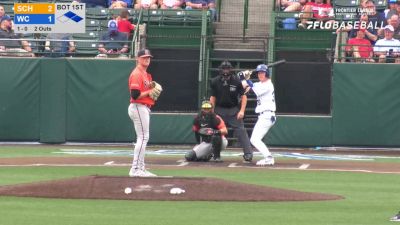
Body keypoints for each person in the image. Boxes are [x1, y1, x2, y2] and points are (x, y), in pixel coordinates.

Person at [128, 49, 163, 177]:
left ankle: (140, 168)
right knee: (142, 138)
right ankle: (135, 169)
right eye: (144, 57)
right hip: (138, 106)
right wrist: (149, 92)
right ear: (138, 59)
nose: (147, 59)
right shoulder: (137, 73)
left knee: (143, 138)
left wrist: (150, 93)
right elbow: (135, 95)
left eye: (148, 57)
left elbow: (147, 94)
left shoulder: (146, 74)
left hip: (143, 107)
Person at [209, 60, 253, 162]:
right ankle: (213, 154)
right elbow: (212, 97)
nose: (225, 71)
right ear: (220, 70)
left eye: (227, 69)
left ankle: (248, 153)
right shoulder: (214, 81)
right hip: (219, 110)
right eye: (223, 69)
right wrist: (212, 111)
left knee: (241, 131)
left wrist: (241, 111)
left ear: (231, 70)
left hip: (233, 110)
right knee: (214, 131)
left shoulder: (237, 81)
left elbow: (243, 96)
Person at [238, 65, 276, 166]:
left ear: (267, 73)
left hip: (267, 115)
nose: (260, 75)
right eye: (259, 73)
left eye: (263, 73)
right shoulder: (259, 84)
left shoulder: (268, 85)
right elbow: (246, 87)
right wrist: (242, 77)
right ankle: (268, 157)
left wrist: (246, 79)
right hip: (264, 116)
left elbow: (256, 90)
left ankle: (268, 158)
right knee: (255, 139)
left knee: (254, 139)